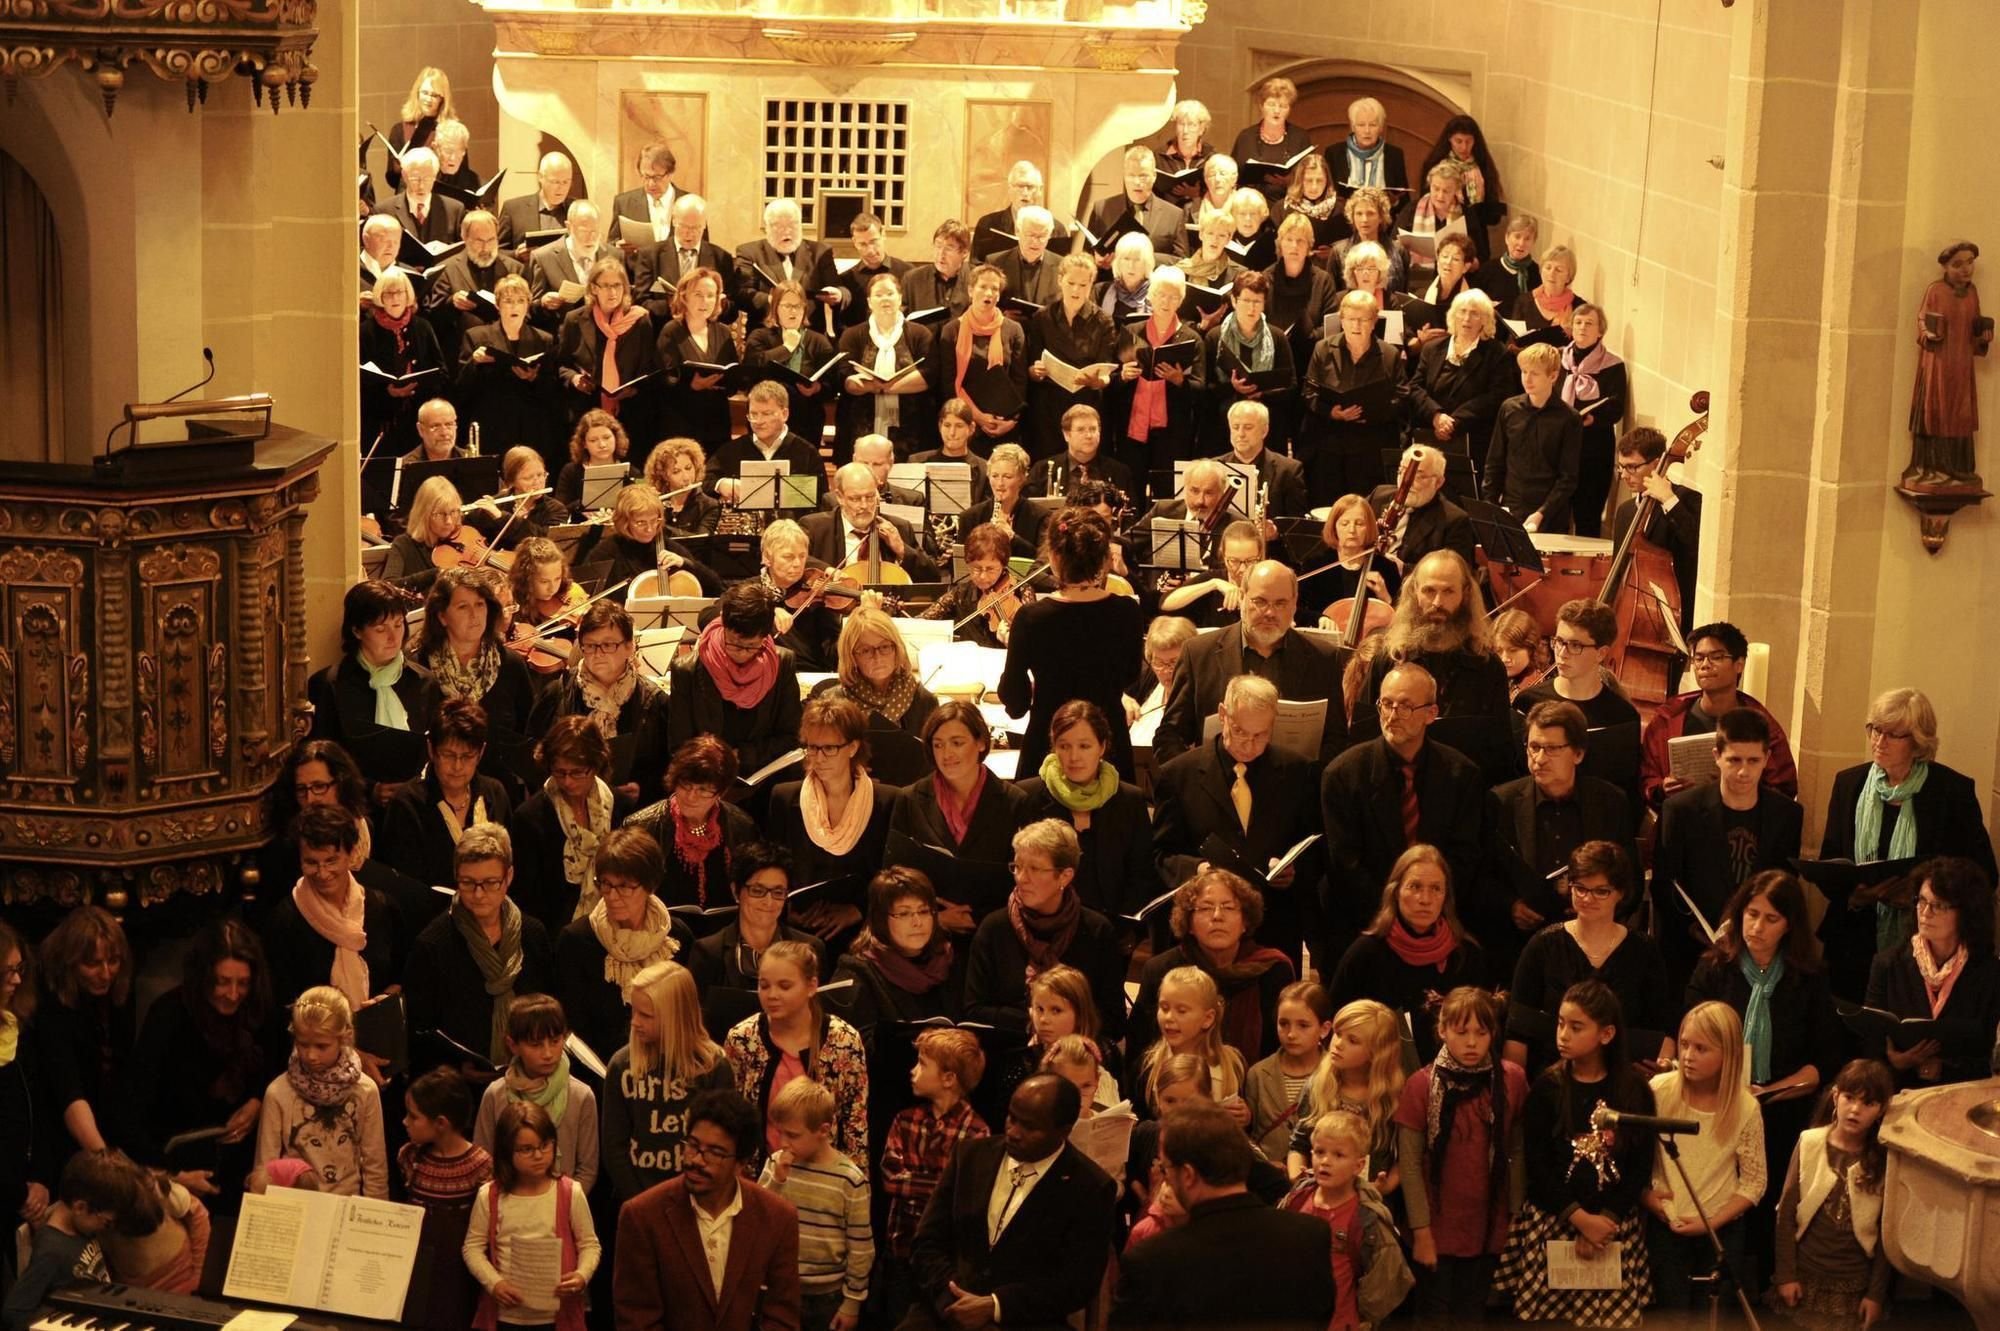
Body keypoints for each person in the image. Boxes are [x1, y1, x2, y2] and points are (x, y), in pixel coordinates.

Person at [1493, 980, 1656, 1329]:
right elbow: (1538, 1165)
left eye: (1576, 1026)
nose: (1563, 1034)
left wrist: (1606, 1220)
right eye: (1560, 1024)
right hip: (1557, 1218)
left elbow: (1640, 1165)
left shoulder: (1634, 1090)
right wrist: (1580, 1219)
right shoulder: (1548, 1087)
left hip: (1612, 1225)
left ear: (1607, 1034)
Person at [902, 1073, 1117, 1331]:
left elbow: (1077, 1283)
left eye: (1029, 1127)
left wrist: (995, 1307)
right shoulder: (969, 1156)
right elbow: (926, 1243)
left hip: (1027, 1320)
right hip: (946, 1308)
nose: (1013, 1132)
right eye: (1011, 1118)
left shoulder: (1090, 1187)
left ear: (1064, 1131)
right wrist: (954, 1301)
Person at [1115, 1103, 1338, 1328]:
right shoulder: (1310, 1236)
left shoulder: (1151, 1261)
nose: (1165, 1180)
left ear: (1188, 1175)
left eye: (1165, 1169)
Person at [1321, 663, 1489, 951]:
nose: (1392, 715)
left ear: (1431, 714)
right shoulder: (1343, 774)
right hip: (1365, 924)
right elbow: (1346, 863)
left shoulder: (1461, 776)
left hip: (1439, 920)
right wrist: (1394, 912)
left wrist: (1425, 907)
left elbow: (1464, 857)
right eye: (1386, 704)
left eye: (1406, 706)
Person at [1818, 686, 1999, 948]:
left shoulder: (1951, 792)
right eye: (1875, 729)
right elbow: (1830, 861)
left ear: (1917, 742)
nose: (1879, 742)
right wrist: (1856, 895)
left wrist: (1920, 895)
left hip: (1927, 940)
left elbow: (1983, 875)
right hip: (1854, 938)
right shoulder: (1849, 783)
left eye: (1893, 735)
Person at [613, 1087, 802, 1331]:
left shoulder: (778, 1218)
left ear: (741, 1163)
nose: (696, 1160)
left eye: (715, 1152)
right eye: (692, 1145)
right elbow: (636, 1319)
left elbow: (782, 1316)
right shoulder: (642, 1216)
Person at [1393, 987, 1526, 1327]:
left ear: (1492, 1034)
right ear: (1442, 1030)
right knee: (1434, 1316)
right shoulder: (1421, 1085)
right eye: (1461, 1032)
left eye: (1481, 1033)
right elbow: (1409, 1164)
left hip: (1487, 1223)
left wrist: (1514, 1215)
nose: (1471, 1043)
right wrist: (1421, 1232)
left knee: (1472, 1314)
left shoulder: (1510, 1079)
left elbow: (1516, 1148)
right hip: (1437, 1224)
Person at [128, 919, 279, 1207]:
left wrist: (258, 1102)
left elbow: (274, 1068)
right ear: (203, 977)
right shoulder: (169, 1015)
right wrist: (171, 1175)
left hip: (243, 1163)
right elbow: (134, 1111)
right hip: (178, 1164)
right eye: (223, 982)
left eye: (243, 983)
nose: (234, 994)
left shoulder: (258, 1010)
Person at [1652, 708, 1806, 985]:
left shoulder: (1787, 815)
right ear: (1717, 757)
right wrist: (1700, 932)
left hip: (1758, 950)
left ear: (1767, 759)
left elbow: (1785, 887)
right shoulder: (1680, 810)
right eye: (1734, 760)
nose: (1744, 771)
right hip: (1692, 950)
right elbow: (1665, 885)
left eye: (1753, 760)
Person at [1504, 841, 1674, 1076]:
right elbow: (1517, 1032)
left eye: (1601, 891)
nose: (1587, 898)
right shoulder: (1543, 945)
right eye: (1580, 888)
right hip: (1551, 1082)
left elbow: (1660, 1031)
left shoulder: (1644, 951)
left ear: (1620, 893)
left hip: (1621, 1081)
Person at [999, 507, 1145, 780]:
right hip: (1107, 742)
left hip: (1049, 742)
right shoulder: (1127, 611)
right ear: (1104, 560)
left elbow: (1014, 699)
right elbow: (1129, 674)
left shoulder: (1032, 618)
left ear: (1054, 557)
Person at [1156, 558, 1344, 764]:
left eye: (1280, 603)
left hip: (1292, 788)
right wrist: (1194, 782)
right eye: (1260, 601)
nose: (1270, 613)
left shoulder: (1323, 658)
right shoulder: (1198, 653)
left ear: (1294, 603)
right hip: (1217, 787)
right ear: (1243, 598)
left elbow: (1336, 739)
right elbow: (1170, 735)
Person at [1491, 700, 1640, 960]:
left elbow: (1630, 880)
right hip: (1520, 942)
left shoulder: (1610, 801)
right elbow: (1484, 874)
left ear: (1578, 753)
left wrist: (1599, 909)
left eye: (1551, 749)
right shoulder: (1501, 802)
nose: (1539, 759)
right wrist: (1510, 905)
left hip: (1593, 942)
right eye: (1534, 747)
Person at [1643, 1002, 1767, 1311]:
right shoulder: (1658, 1090)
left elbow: (1754, 1183)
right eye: (1684, 1044)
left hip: (1720, 1232)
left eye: (1701, 1048)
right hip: (1666, 1226)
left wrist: (1709, 1222)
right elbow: (1635, 1158)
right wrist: (1646, 1197)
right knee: (1672, 1316)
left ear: (1728, 1055)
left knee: (1712, 1315)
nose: (1687, 1055)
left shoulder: (1745, 1107)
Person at [404, 825, 555, 1077]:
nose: (478, 894)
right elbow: (420, 1031)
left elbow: (548, 1009)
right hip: (459, 1084)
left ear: (509, 877)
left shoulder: (533, 934)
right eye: (467, 882)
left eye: (490, 883)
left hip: (531, 1075)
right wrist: (456, 1068)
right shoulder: (432, 945)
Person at [964, 819, 1126, 1037]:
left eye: (1034, 869)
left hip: (1076, 1055)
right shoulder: (994, 928)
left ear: (1065, 876)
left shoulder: (1096, 931)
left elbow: (1113, 1020)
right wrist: (1036, 1020)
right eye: (1017, 867)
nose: (1022, 878)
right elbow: (973, 1010)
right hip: (1008, 1052)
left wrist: (1066, 1029)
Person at [1126, 868, 1297, 1069]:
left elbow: (1283, 1050)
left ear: (1245, 921)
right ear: (1188, 922)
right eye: (1206, 908)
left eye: (1228, 907)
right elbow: (1139, 1051)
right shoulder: (1161, 970)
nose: (1217, 916)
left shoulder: (1272, 970)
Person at [1347, 551, 1513, 757]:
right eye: (1429, 590)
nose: (1437, 602)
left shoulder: (1487, 667)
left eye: (1448, 591)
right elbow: (1362, 740)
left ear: (1466, 593)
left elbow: (1500, 751)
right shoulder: (1388, 658)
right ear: (1414, 591)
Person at [599, 960, 734, 1209]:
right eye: (634, 1011)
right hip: (637, 1201)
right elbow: (614, 1146)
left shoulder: (713, 1067)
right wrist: (642, 1203)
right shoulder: (621, 1065)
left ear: (676, 1018)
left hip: (698, 1202)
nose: (634, 1022)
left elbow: (722, 1142)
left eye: (646, 1015)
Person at [878, 1029, 990, 1326]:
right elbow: (891, 1178)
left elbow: (964, 1198)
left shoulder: (977, 1133)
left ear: (949, 1078)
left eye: (923, 1064)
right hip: (901, 1248)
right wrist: (941, 1185)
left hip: (945, 1259)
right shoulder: (905, 1120)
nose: (913, 1071)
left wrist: (923, 1184)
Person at [1328, 846, 1487, 1055]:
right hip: (1378, 1075)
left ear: (1445, 897)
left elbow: (1484, 1029)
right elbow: (1335, 1026)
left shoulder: (1465, 955)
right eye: (1415, 887)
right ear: (1395, 892)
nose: (1425, 899)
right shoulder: (1365, 954)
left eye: (1436, 889)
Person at [1772, 1060, 1894, 1331]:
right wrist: (1785, 1275)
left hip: (1854, 1283)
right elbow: (1786, 1214)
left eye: (1868, 1103)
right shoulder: (1810, 1142)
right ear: (1836, 1096)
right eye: (1850, 1098)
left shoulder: (1884, 1159)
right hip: (1806, 1276)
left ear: (1881, 1109)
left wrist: (1875, 1294)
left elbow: (1887, 1234)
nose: (1855, 1109)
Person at [887, 701, 1032, 927]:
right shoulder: (909, 799)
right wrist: (935, 918)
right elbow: (892, 877)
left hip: (994, 928)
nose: (947, 754)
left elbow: (1025, 879)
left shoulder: (1015, 802)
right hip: (924, 929)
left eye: (957, 743)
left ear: (981, 742)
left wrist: (977, 918)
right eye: (938, 745)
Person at [725, 940, 870, 1163]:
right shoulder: (743, 1038)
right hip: (759, 1177)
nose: (772, 995)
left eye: (784, 986)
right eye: (764, 985)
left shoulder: (843, 1040)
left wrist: (854, 1184)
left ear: (811, 986)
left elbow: (855, 1122)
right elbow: (732, 1116)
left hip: (824, 1179)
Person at [1862, 855, 2000, 1087]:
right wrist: (1893, 1062)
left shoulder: (1990, 973)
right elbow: (1868, 1046)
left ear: (1966, 913)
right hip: (1898, 1094)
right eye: (1921, 901)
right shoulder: (1887, 964)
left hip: (1962, 1097)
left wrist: (1943, 1067)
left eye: (1938, 905)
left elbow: (1989, 1055)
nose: (1925, 913)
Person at [464, 1099, 601, 1331]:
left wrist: (581, 1275)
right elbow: (473, 1247)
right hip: (506, 1316)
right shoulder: (490, 1195)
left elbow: (589, 1244)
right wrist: (495, 1284)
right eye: (526, 1149)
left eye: (545, 1145)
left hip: (556, 1317)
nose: (538, 1155)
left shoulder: (569, 1192)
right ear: (507, 1152)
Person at [1017, 701, 1155, 920]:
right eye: (1064, 746)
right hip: (1043, 927)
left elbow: (1142, 875)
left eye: (1084, 746)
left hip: (1113, 933)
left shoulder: (1130, 800)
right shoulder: (1027, 797)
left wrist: (1123, 934)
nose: (1074, 757)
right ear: (1054, 747)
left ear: (1102, 747)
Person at [1639, 620, 1799, 809]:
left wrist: (1740, 784)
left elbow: (1783, 788)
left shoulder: (1761, 725)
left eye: (1716, 657)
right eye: (1698, 658)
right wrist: (1662, 789)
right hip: (1683, 821)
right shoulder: (1668, 718)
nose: (1705, 665)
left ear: (1739, 664)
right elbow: (1646, 777)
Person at [756, 1079, 875, 1331]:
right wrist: (777, 1180)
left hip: (827, 1296)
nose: (783, 1142)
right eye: (780, 1132)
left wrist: (852, 1304)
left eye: (792, 1135)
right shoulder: (776, 1164)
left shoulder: (849, 1179)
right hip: (780, 1288)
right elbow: (759, 1217)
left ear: (823, 1130)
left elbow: (861, 1248)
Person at [527, 601, 670, 805]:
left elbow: (668, 766)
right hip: (568, 809)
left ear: (630, 646)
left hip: (633, 813)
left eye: (609, 645)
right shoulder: (557, 692)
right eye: (591, 645)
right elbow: (535, 760)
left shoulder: (655, 700)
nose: (598, 653)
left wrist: (644, 790)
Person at [509, 716, 642, 935]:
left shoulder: (621, 807)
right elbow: (526, 899)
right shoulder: (530, 817)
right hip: (555, 937)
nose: (568, 781)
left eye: (578, 772)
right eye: (560, 772)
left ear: (596, 764)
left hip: (617, 928)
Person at [254, 986, 389, 1198]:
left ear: (344, 1038)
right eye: (302, 1044)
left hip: (345, 1206)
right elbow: (266, 1171)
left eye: (321, 1046)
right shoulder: (278, 1093)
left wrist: (373, 1220)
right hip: (295, 1207)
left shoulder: (365, 1090)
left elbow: (375, 1167)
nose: (311, 1055)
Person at [667, 581, 805, 781]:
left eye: (751, 646)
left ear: (766, 636)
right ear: (723, 624)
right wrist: (718, 761)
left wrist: (744, 756)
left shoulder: (782, 663)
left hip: (764, 779)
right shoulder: (687, 670)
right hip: (707, 779)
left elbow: (791, 736)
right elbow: (679, 745)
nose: (741, 653)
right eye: (733, 643)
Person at [308, 579, 436, 788]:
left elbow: (435, 752)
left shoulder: (424, 682)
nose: (393, 637)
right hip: (353, 804)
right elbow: (322, 761)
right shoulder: (330, 685)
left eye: (398, 625)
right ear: (357, 631)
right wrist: (371, 789)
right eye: (380, 629)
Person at [378, 698, 515, 892]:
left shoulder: (495, 793)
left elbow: (508, 865)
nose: (458, 766)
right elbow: (404, 887)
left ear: (481, 752)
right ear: (431, 750)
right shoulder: (407, 803)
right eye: (448, 755)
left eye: (467, 756)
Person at [35, 906, 136, 1168]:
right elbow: (69, 1094)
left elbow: (122, 1084)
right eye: (92, 963)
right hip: (62, 1140)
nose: (106, 974)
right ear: (68, 963)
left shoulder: (118, 994)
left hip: (108, 1127)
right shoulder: (50, 1008)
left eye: (113, 961)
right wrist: (109, 1165)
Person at [770, 697, 896, 904]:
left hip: (864, 922)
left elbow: (890, 875)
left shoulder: (888, 801)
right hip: (802, 920)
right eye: (812, 748)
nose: (818, 758)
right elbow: (775, 870)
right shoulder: (783, 798)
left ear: (853, 748)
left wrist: (857, 912)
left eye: (829, 748)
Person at [410, 565, 538, 768]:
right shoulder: (419, 668)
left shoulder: (511, 664)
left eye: (480, 604)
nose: (474, 615)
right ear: (442, 616)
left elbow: (528, 736)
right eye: (463, 607)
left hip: (499, 786)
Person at [471, 994, 599, 1193]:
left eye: (555, 1041)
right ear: (513, 1045)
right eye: (536, 1044)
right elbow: (483, 1161)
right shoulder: (496, 1095)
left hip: (562, 1207)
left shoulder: (580, 1096)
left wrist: (563, 1204)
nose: (548, 1053)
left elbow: (587, 1168)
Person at [398, 1068, 491, 1331]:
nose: (405, 1122)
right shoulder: (410, 1158)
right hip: (417, 1270)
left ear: (441, 1123)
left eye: (413, 1116)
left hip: (458, 1276)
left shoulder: (480, 1166)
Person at [625, 735, 756, 913]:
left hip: (723, 930)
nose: (691, 797)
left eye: (703, 790)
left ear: (721, 791)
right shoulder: (642, 827)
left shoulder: (741, 826)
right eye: (685, 785)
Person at [1111, 266, 1207, 506]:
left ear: (1181, 300)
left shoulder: (1191, 338)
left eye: (1173, 296)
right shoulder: (1132, 332)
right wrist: (1123, 375)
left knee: (1167, 497)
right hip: (1133, 428)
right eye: (1161, 294)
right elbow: (1110, 379)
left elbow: (1201, 387)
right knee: (1130, 495)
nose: (1166, 301)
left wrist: (1179, 381)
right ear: (1151, 296)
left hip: (1172, 431)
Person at [0, 1149, 127, 1331]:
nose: (106, 1229)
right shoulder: (51, 1251)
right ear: (80, 1207)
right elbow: (15, 1310)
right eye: (106, 1223)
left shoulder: (81, 1227)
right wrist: (60, 1324)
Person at [1300, 287, 1404, 503]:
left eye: (1363, 319)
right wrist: (1332, 412)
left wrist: (1372, 413)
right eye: (1351, 318)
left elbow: (1401, 396)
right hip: (1330, 444)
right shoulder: (1323, 349)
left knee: (1365, 505)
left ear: (1374, 321)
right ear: (1342, 320)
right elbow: (1309, 391)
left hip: (1369, 445)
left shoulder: (1389, 354)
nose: (1356, 325)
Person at [831, 868, 965, 1034]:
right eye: (904, 913)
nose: (917, 922)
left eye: (923, 911)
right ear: (881, 919)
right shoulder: (857, 973)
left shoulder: (949, 959)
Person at [686, 842, 828, 994]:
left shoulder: (810, 949)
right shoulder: (708, 953)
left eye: (778, 892)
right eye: (758, 890)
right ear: (735, 891)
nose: (768, 902)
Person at [1906, 239, 1991, 485]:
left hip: (1962, 364)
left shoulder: (1972, 292)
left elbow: (1975, 327)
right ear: (1946, 268)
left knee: (1960, 412)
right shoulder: (1935, 291)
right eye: (1958, 264)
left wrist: (1983, 336)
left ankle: (1959, 467)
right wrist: (1928, 333)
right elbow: (1922, 321)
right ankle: (1933, 467)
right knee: (1938, 409)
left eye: (1970, 263)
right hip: (1938, 364)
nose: (1966, 269)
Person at [1024, 253, 1119, 458]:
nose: (1076, 290)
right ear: (1060, 281)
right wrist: (1036, 371)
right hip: (1049, 405)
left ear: (1091, 285)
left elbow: (1106, 371)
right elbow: (1031, 368)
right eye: (1071, 283)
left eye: (1083, 285)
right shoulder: (1043, 318)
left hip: (1086, 402)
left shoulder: (1103, 321)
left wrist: (1097, 380)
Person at [1610, 426, 1701, 634]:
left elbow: (1696, 546)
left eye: (1632, 467)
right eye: (1620, 467)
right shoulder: (1625, 512)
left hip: (1677, 618)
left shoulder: (1687, 501)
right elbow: (1618, 572)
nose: (1624, 475)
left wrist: (1669, 501)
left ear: (1657, 463)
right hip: (1633, 618)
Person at [1408, 288, 1511, 471]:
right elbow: (1415, 387)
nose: (1466, 319)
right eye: (1462, 311)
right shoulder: (1432, 348)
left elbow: (1496, 396)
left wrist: (1454, 421)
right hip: (1429, 435)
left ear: (1485, 320)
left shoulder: (1497, 353)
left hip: (1472, 440)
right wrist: (1436, 416)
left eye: (1474, 314)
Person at [1486, 342, 1582, 533]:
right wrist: (1490, 506)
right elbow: (1494, 462)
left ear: (1553, 376)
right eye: (1524, 372)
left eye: (1535, 373)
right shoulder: (1509, 408)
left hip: (1550, 515)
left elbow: (1568, 478)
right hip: (1511, 506)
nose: (1527, 379)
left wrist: (1541, 513)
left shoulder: (1569, 418)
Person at [1511, 599, 1643, 734]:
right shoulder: (1527, 703)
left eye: (1575, 645)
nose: (1562, 653)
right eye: (1559, 642)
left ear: (1601, 653)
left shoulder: (1624, 717)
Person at [1243, 980, 1332, 1162]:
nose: (1291, 1034)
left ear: (1324, 1029)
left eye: (1303, 1025)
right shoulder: (1258, 1074)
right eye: (1283, 1024)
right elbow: (1250, 1134)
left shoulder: (1335, 1074)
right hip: (1269, 1179)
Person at [802, 462, 939, 580]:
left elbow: (933, 576)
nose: (864, 505)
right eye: (855, 498)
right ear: (840, 497)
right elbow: (793, 561)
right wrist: (828, 570)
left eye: (870, 497)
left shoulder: (900, 527)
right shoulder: (815, 527)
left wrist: (902, 549)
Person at [361, 268, 445, 458]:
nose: (395, 298)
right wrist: (388, 392)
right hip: (381, 421)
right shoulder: (366, 331)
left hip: (418, 418)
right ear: (380, 297)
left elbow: (441, 372)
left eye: (400, 292)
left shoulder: (422, 327)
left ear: (408, 295)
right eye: (389, 293)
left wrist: (421, 384)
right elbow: (358, 380)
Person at [1561, 304, 1627, 536]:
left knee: (1588, 516)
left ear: (1600, 331)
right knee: (1557, 516)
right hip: (1560, 446)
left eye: (1589, 323)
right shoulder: (1559, 359)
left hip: (1593, 448)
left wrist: (1593, 418)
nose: (1582, 327)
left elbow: (1616, 407)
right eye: (1578, 322)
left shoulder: (1613, 365)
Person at [745, 279, 842, 432]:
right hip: (765, 418)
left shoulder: (818, 341)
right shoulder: (759, 336)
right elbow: (750, 369)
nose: (793, 311)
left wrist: (816, 389)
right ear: (775, 308)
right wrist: (786, 348)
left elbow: (832, 384)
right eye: (787, 306)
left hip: (806, 417)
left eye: (798, 306)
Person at [707, 379, 824, 505]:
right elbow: (704, 481)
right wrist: (720, 484)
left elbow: (822, 501)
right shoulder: (731, 450)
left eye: (766, 414)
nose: (758, 421)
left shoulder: (807, 453)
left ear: (784, 414)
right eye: (753, 414)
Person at [655, 265, 736, 444]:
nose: (705, 301)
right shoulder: (671, 331)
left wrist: (727, 382)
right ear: (684, 297)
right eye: (698, 295)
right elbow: (663, 380)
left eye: (710, 295)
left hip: (717, 421)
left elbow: (734, 375)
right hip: (681, 421)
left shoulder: (723, 332)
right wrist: (692, 387)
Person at [1296, 493, 1398, 629]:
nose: (1352, 530)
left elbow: (1404, 619)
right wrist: (1319, 619)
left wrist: (1385, 596)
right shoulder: (1315, 565)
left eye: (1359, 523)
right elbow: (1294, 608)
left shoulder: (1386, 568)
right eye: (1344, 524)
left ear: (1369, 528)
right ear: (1334, 528)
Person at [1374, 442, 1476, 572]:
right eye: (1402, 471)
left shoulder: (1454, 520)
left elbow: (1456, 573)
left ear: (1438, 482)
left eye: (1418, 476)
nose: (1406, 481)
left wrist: (1403, 569)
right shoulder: (1379, 495)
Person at [734, 196, 835, 321]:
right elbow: (741, 293)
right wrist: (774, 301)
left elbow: (840, 289)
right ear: (767, 228)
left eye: (792, 225)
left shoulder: (820, 252)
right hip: (766, 332)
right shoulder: (749, 252)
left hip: (811, 331)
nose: (786, 232)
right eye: (778, 226)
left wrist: (838, 295)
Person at [632, 195, 731, 317]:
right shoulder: (650, 255)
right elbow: (641, 301)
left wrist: (716, 305)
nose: (688, 233)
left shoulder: (721, 257)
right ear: (673, 221)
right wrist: (678, 305)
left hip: (706, 329)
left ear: (704, 225)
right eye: (683, 226)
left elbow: (732, 308)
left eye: (696, 228)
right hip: (663, 328)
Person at [1088, 145, 1189, 262]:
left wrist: (1145, 258)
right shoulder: (1102, 209)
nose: (1137, 182)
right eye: (1131, 175)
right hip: (1111, 279)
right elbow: (1087, 257)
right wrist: (1097, 261)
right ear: (1124, 176)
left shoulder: (1174, 215)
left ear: (1154, 176)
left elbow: (1183, 262)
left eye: (1143, 176)